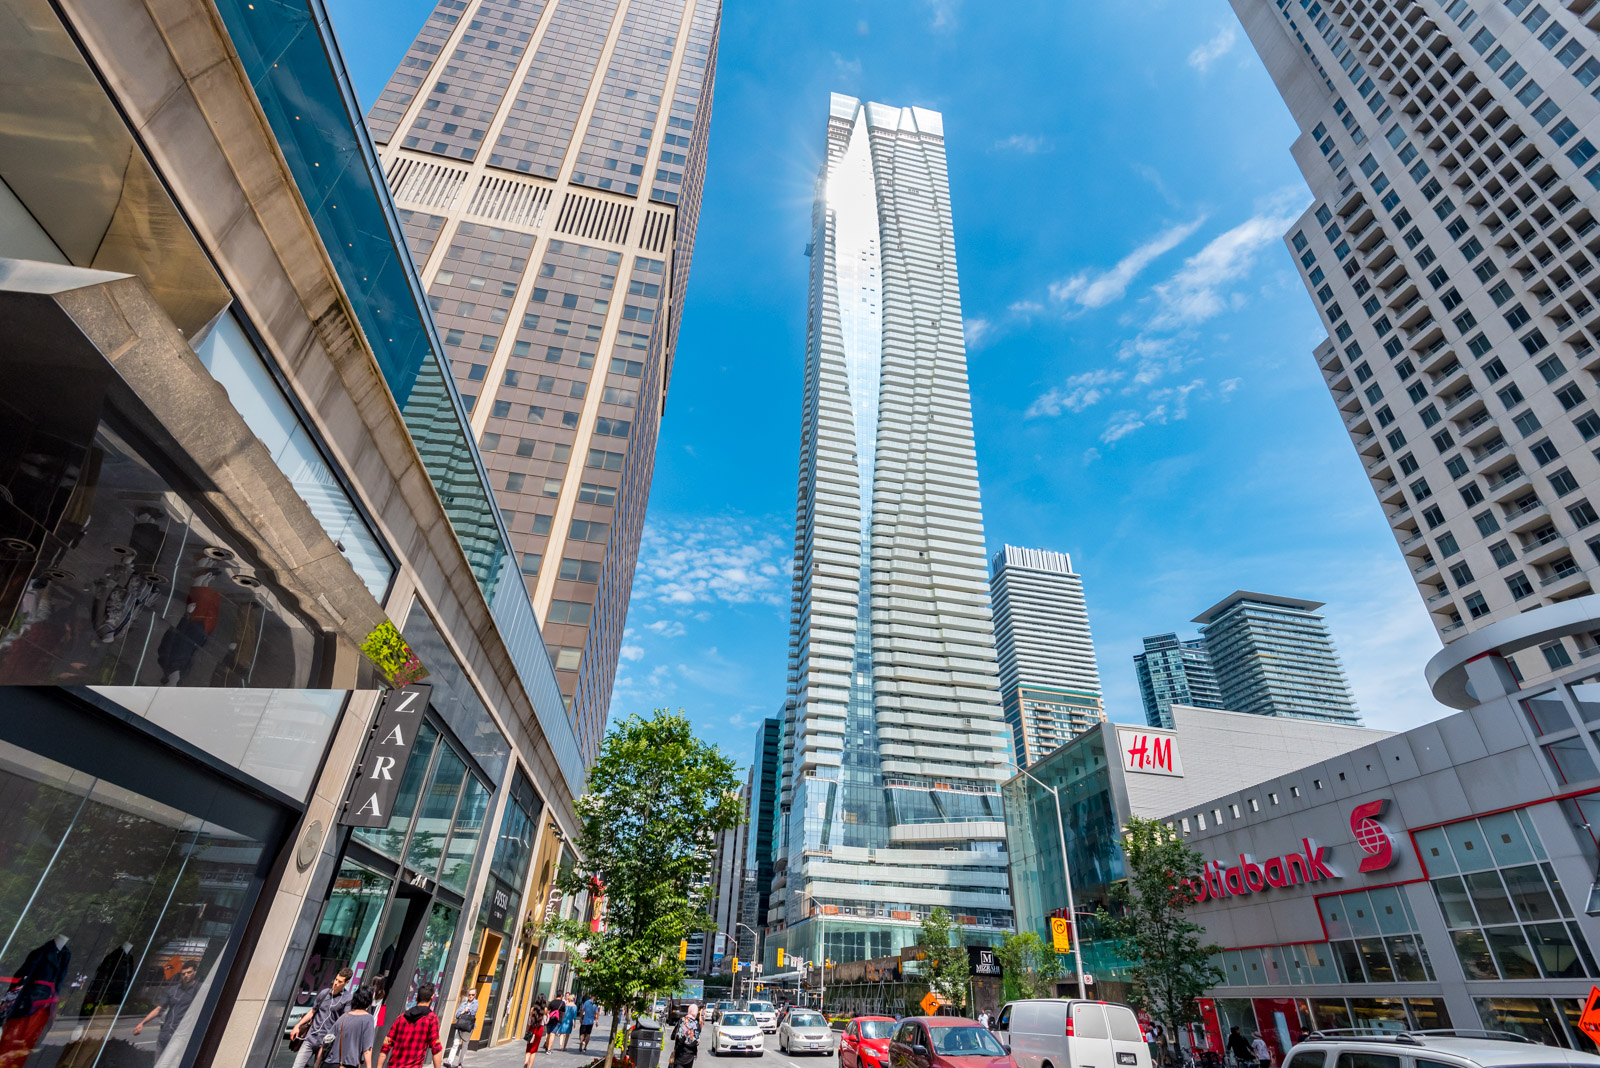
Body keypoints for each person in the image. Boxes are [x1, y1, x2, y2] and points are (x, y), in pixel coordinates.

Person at [291, 967, 355, 1068]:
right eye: (336, 979)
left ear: (346, 982)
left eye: (340, 981)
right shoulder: (324, 993)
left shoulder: (347, 998)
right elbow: (312, 1011)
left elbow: (345, 1020)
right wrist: (297, 1026)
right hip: (311, 1038)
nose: (336, 983)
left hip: (326, 1043)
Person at [132, 959, 200, 1052]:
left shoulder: (200, 990)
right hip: (165, 1035)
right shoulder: (173, 990)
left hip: (180, 1036)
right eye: (183, 974)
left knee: (165, 1064)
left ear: (195, 972)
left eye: (189, 972)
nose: (186, 976)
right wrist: (142, 1023)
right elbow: (158, 1009)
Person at [379, 981, 442, 1068]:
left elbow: (386, 1044)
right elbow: (436, 1049)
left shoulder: (401, 1017)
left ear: (416, 997)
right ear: (432, 997)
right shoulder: (431, 1019)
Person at [331, 986, 378, 1068]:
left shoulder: (344, 1016)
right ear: (369, 1001)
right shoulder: (368, 1019)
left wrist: (317, 1063)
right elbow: (367, 1049)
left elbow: (327, 1040)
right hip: (349, 1064)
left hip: (331, 1062)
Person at [670, 1003, 700, 1068]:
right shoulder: (696, 1024)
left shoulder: (681, 1021)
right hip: (690, 1056)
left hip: (679, 1055)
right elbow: (696, 1041)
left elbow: (672, 1036)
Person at [523, 996, 548, 1068]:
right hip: (539, 1030)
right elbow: (546, 1021)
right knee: (534, 1050)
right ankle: (530, 1067)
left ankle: (525, 1063)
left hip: (532, 1028)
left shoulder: (532, 1009)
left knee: (528, 1047)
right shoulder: (545, 1010)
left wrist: (527, 1030)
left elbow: (529, 1021)